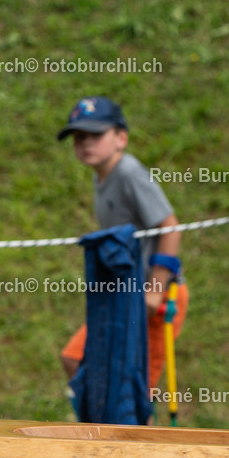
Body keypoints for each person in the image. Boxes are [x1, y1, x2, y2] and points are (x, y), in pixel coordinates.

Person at [59, 96, 189, 391]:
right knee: (76, 359)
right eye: (79, 137)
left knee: (134, 391)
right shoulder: (101, 177)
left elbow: (170, 227)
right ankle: (101, 428)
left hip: (158, 297)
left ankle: (131, 435)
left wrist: (154, 291)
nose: (86, 143)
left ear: (121, 137)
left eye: (95, 134)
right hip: (126, 295)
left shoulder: (129, 172)